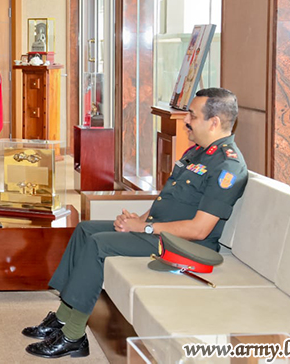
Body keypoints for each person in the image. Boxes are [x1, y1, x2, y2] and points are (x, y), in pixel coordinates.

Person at [22, 88, 248, 359]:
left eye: (192, 115)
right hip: (160, 231)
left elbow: (199, 230)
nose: (186, 120)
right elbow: (170, 199)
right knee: (85, 229)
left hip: (186, 246)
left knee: (98, 245)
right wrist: (137, 220)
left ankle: (73, 335)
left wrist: (145, 228)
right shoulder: (197, 152)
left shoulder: (227, 166)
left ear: (214, 122)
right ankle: (61, 318)